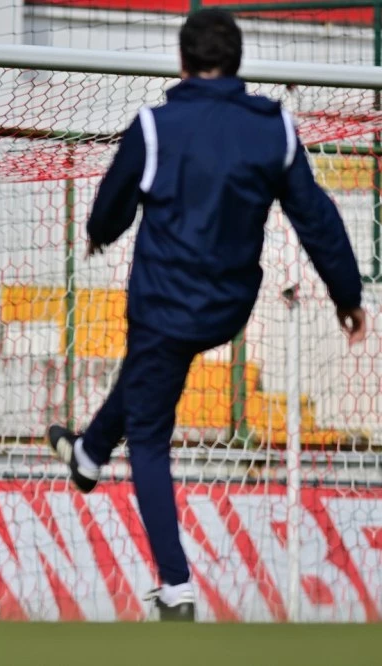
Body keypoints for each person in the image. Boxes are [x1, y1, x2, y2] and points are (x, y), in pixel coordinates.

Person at [48, 8, 366, 622]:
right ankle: (87, 455)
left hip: (166, 304)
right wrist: (347, 294)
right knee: (146, 372)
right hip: (227, 308)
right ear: (238, 65)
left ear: (182, 63)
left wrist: (98, 234)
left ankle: (175, 588)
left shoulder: (156, 125)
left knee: (148, 430)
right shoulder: (273, 127)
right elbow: (316, 214)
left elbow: (113, 201)